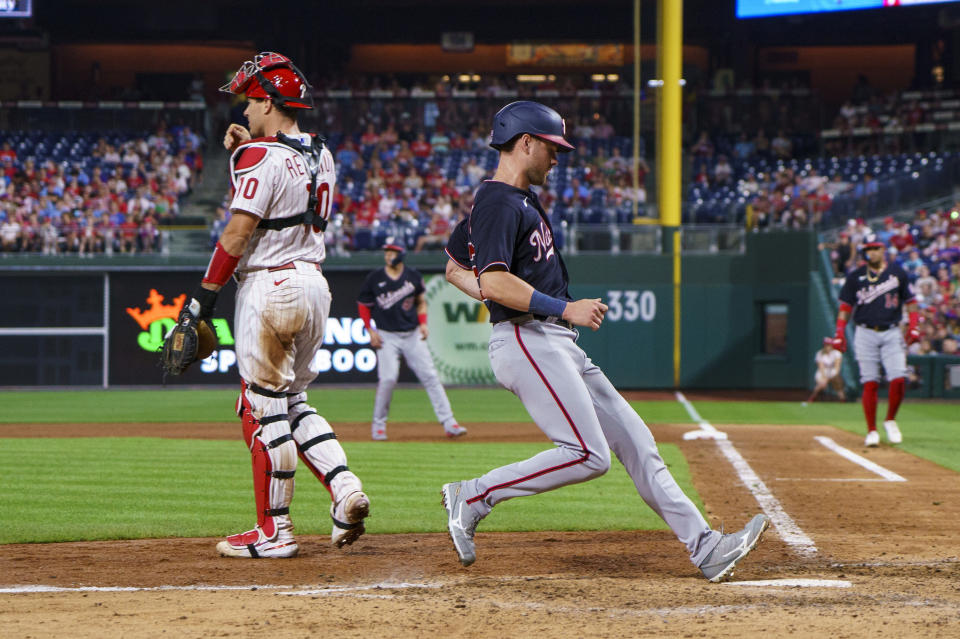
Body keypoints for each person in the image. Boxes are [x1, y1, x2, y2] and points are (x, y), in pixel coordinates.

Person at [440, 100, 769, 582]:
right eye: (552, 147)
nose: (558, 157)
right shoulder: (498, 202)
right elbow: (492, 281)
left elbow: (453, 268)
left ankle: (707, 548)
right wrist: (555, 306)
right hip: (528, 337)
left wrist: (499, 295)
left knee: (637, 442)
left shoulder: (514, 200)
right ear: (525, 142)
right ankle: (473, 495)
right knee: (588, 454)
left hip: (551, 340)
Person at [190, 52, 369, 558]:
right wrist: (247, 149)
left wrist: (201, 301)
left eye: (250, 100)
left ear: (268, 101)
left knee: (260, 409)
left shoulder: (258, 156)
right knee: (294, 404)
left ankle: (274, 533)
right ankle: (345, 489)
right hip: (315, 286)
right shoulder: (322, 153)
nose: (245, 110)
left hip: (269, 286)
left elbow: (237, 233)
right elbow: (285, 176)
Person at [357, 239, 466, 441]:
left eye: (392, 252)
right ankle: (378, 426)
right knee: (388, 379)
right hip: (387, 336)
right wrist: (370, 331)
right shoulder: (375, 278)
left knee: (431, 377)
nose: (388, 255)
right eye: (386, 252)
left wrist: (423, 323)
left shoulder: (413, 276)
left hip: (412, 334)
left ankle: (450, 423)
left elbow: (421, 302)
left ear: (401, 254)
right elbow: (364, 306)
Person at [831, 235, 919, 447]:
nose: (872, 252)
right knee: (869, 381)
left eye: (876, 248)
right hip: (864, 332)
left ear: (883, 250)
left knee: (898, 378)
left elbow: (911, 301)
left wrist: (914, 326)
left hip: (891, 331)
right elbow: (845, 307)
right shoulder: (856, 277)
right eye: (869, 249)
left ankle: (890, 420)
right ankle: (871, 430)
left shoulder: (897, 272)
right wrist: (839, 332)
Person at [807, 337, 846, 403]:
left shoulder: (836, 353)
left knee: (837, 382)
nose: (828, 347)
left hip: (832, 371)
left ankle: (842, 400)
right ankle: (812, 397)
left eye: (829, 345)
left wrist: (835, 375)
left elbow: (837, 366)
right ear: (824, 345)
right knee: (822, 383)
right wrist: (825, 378)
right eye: (826, 345)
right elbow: (821, 367)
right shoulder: (820, 353)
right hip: (823, 372)